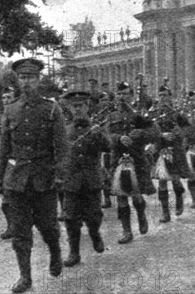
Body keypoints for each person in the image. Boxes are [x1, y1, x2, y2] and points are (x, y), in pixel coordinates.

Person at [0, 58, 68, 293]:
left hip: (44, 178)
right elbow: (4, 148)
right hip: (17, 181)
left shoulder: (52, 109)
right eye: (23, 78)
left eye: (31, 78)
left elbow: (62, 147)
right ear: (17, 80)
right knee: (20, 232)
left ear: (38, 80)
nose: (26, 82)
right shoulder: (10, 109)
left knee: (47, 227)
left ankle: (55, 252)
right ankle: (25, 277)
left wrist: (59, 175)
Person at [61, 91, 110, 267]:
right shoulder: (65, 128)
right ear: (70, 108)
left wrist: (99, 134)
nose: (78, 109)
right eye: (74, 106)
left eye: (81, 105)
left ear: (87, 106)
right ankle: (74, 252)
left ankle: (95, 235)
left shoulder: (97, 127)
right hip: (72, 180)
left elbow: (108, 146)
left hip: (91, 179)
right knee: (70, 218)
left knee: (94, 215)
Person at [106, 82, 157, 244]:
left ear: (131, 95)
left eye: (125, 94)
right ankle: (126, 231)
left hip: (137, 159)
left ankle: (141, 215)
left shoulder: (139, 115)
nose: (122, 97)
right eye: (119, 94)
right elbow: (105, 136)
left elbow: (155, 131)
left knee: (136, 194)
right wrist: (118, 138)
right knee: (121, 195)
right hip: (118, 159)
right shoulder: (111, 116)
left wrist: (141, 133)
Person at [149, 85, 191, 222]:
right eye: (160, 95)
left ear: (170, 97)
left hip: (175, 150)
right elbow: (148, 131)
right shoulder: (153, 113)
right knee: (162, 181)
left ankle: (179, 197)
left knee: (175, 179)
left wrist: (181, 131)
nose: (162, 98)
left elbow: (188, 128)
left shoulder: (176, 113)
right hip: (161, 149)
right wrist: (161, 135)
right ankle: (165, 212)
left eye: (165, 95)